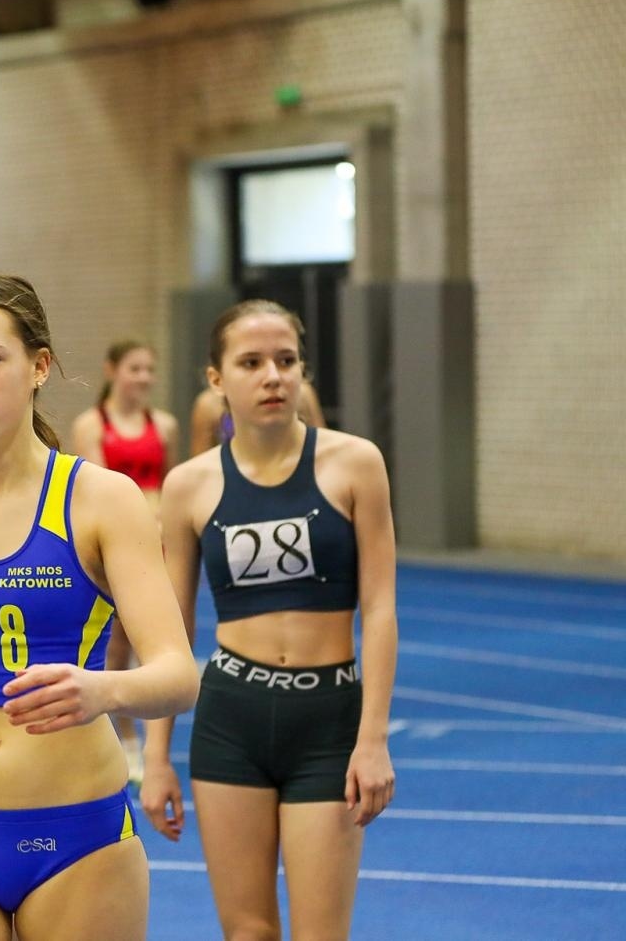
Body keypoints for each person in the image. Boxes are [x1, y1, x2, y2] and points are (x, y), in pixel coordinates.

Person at [0, 272, 200, 941]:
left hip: (77, 834)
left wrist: (102, 688)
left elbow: (178, 675)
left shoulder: (102, 501)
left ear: (39, 366)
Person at [142, 299, 396, 941]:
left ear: (303, 372)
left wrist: (372, 739)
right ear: (217, 379)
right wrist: (155, 757)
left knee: (320, 933)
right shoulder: (189, 486)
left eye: (286, 361)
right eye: (251, 362)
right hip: (233, 719)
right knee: (248, 932)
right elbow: (173, 626)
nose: (273, 376)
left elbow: (381, 609)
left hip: (328, 719)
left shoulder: (355, 464)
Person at [70, 340, 179, 784]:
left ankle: (156, 744)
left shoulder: (164, 425)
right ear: (111, 370)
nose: (144, 378)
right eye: (135, 368)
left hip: (158, 540)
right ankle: (127, 737)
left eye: (149, 369)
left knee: (158, 641)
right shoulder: (91, 425)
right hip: (115, 544)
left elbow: (172, 483)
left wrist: (165, 523)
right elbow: (99, 487)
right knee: (116, 644)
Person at [189, 373, 324, 457]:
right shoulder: (210, 404)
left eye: (285, 361)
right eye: (251, 363)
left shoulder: (302, 395)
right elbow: (199, 473)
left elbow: (322, 454)